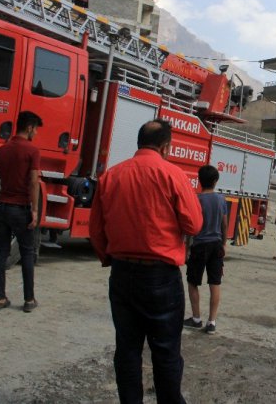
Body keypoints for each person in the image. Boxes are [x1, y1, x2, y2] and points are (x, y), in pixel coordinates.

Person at [89, 119, 203, 404]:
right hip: (161, 279)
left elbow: (96, 230)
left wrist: (110, 259)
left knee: (127, 350)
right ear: (166, 147)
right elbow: (193, 224)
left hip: (122, 274)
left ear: (139, 143)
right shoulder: (172, 174)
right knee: (165, 352)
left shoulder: (112, 175)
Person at [0, 111, 43, 313]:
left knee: (2, 251)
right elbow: (34, 182)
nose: (36, 133)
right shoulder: (32, 151)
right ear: (29, 127)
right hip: (21, 209)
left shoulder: (1, 150)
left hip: (2, 207)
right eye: (36, 129)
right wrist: (35, 210)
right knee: (27, 252)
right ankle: (29, 300)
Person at [184, 165, 228, 334]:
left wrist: (187, 248)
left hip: (199, 245)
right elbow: (224, 224)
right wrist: (224, 244)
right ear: (215, 181)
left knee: (193, 281)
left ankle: (196, 318)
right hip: (216, 245)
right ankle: (212, 322)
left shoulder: (196, 199)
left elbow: (191, 226)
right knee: (215, 282)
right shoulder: (221, 200)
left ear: (199, 180)